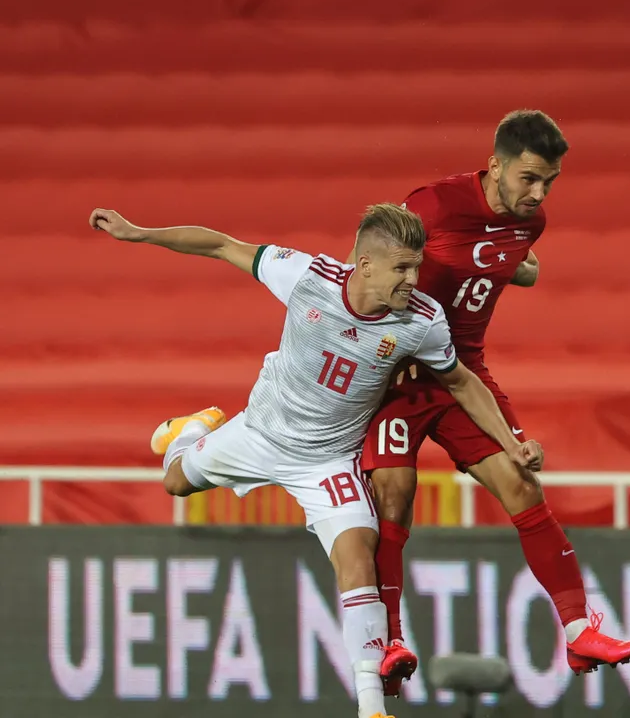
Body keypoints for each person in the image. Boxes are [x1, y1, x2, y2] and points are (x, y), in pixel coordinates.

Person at [89, 203, 543, 718]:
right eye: (402, 268)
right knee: (174, 482)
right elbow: (221, 244)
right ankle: (189, 431)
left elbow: (462, 381)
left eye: (416, 267)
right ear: (365, 264)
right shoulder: (306, 277)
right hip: (259, 433)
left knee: (358, 558)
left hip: (327, 461)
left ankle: (371, 707)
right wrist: (139, 233)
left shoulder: (422, 321)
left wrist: (512, 443)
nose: (413, 280)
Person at [358, 110, 630, 696]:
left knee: (522, 481)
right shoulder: (435, 205)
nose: (538, 194)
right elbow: (373, 267)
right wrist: (379, 340)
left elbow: (503, 260)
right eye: (528, 178)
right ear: (495, 166)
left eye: (549, 182)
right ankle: (388, 641)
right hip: (398, 376)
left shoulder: (529, 223)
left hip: (462, 373)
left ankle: (578, 631)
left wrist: (521, 269)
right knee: (394, 494)